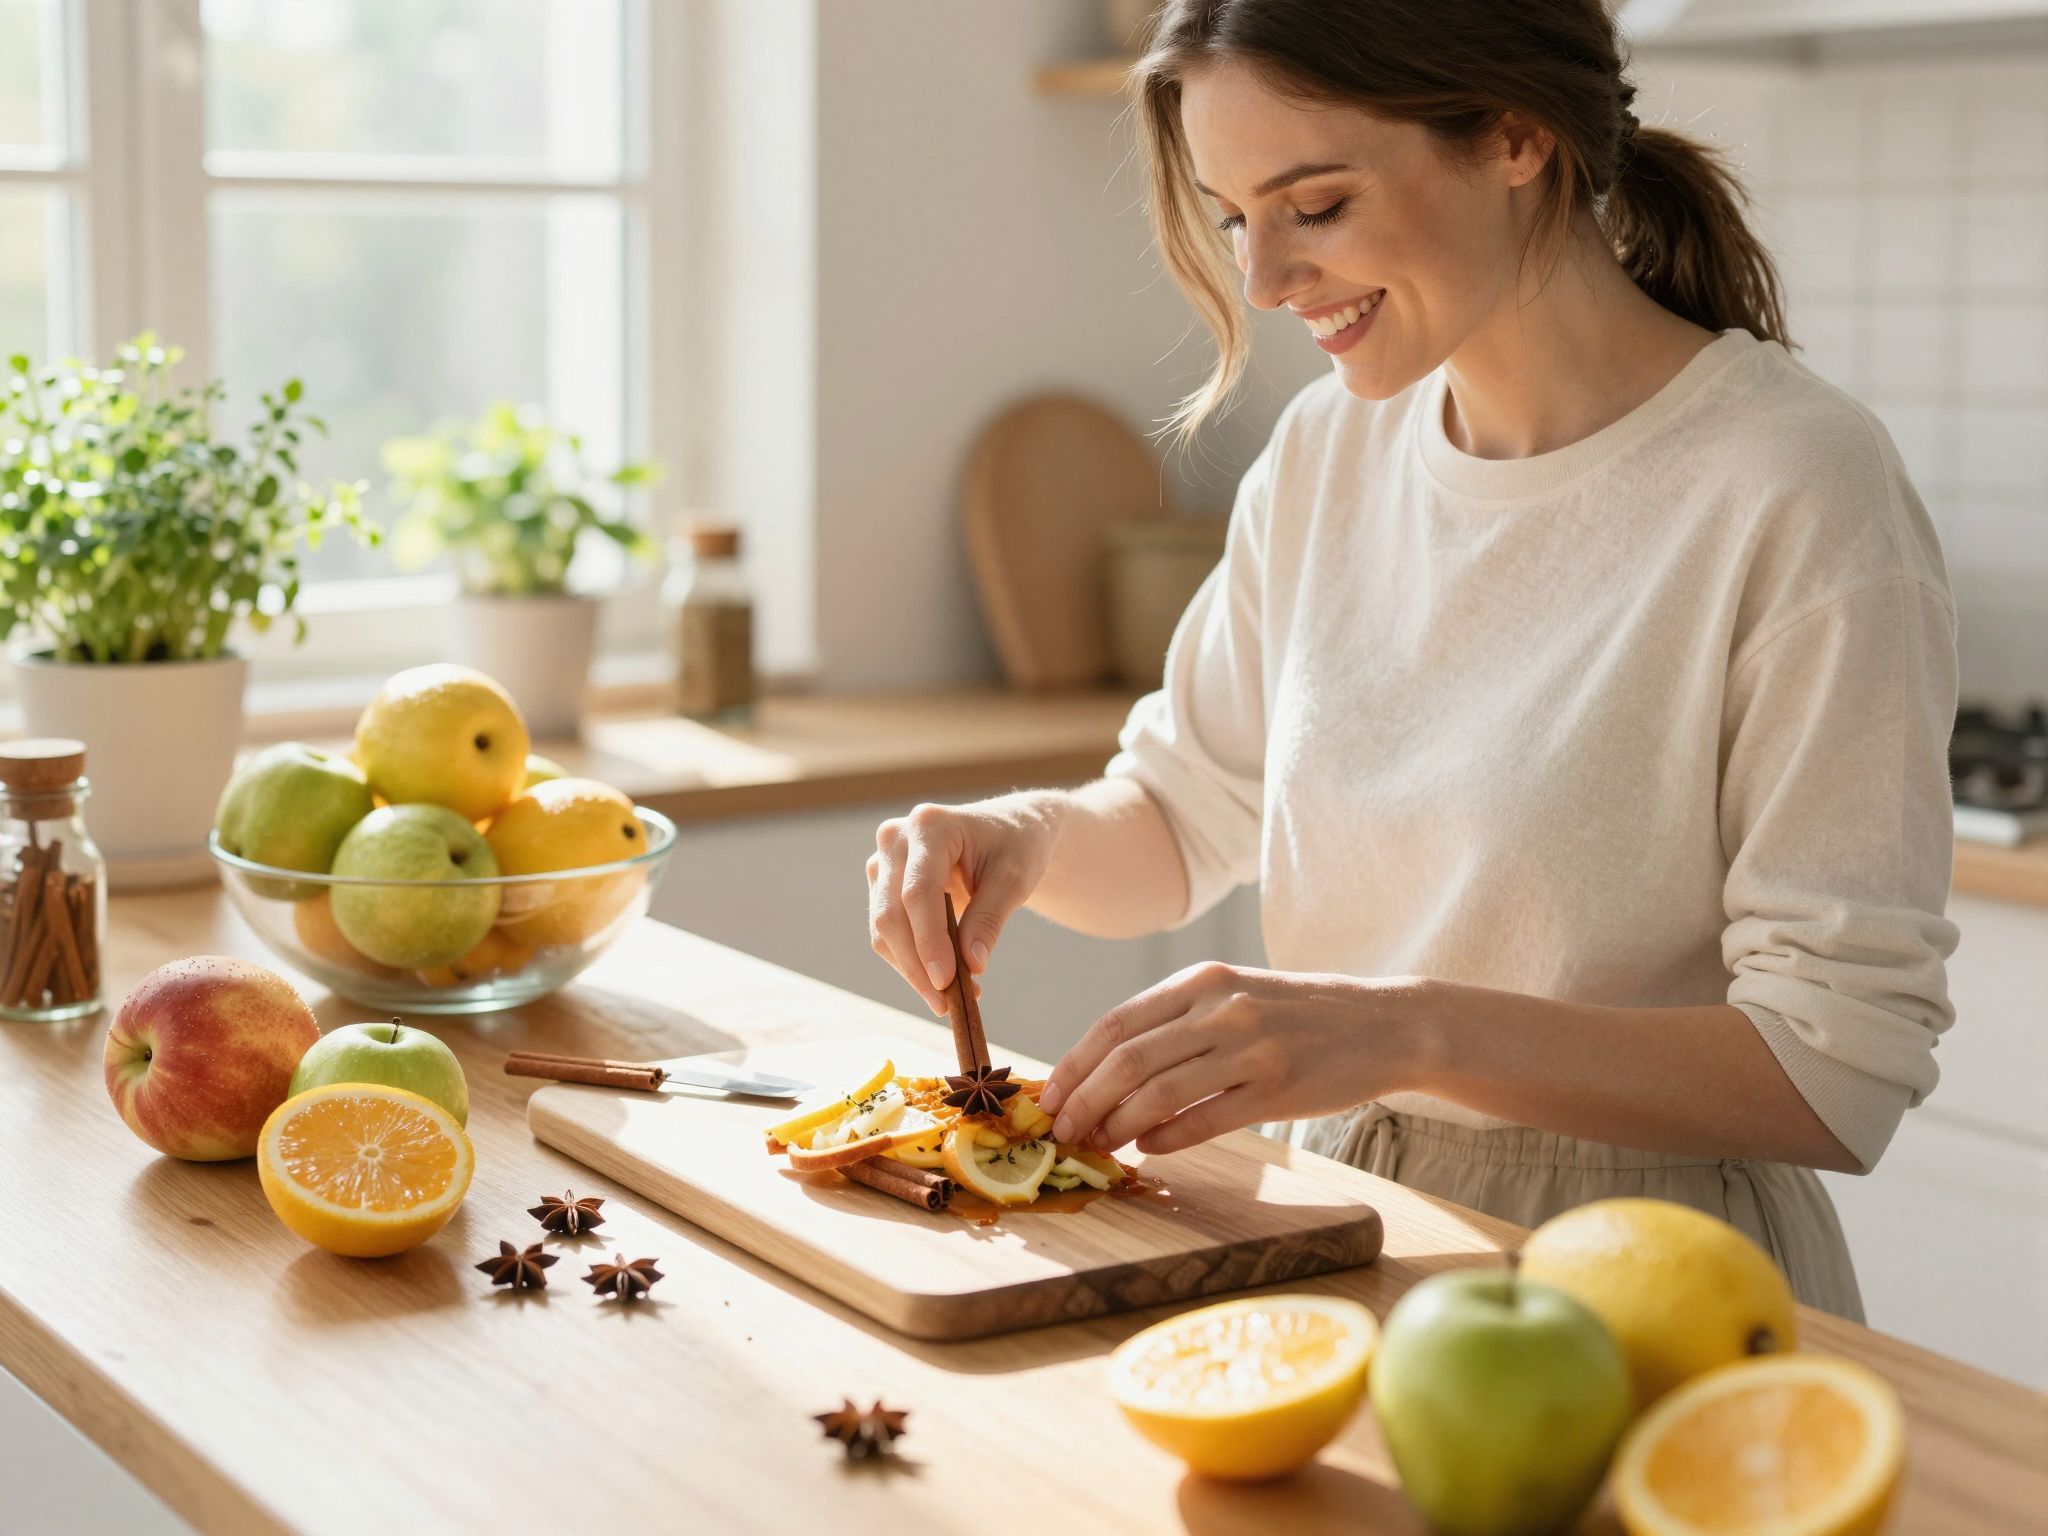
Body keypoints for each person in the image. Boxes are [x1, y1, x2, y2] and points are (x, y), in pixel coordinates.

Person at [864, 0, 1958, 1318]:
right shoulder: (1328, 454)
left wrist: (1404, 1031)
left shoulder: (1793, 485)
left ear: (1514, 135)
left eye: (1312, 205)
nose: (1264, 282)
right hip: (1340, 1234)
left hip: (1647, 1285)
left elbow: (1833, 1069)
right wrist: (1023, 838)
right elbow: (1170, 819)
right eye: (1232, 219)